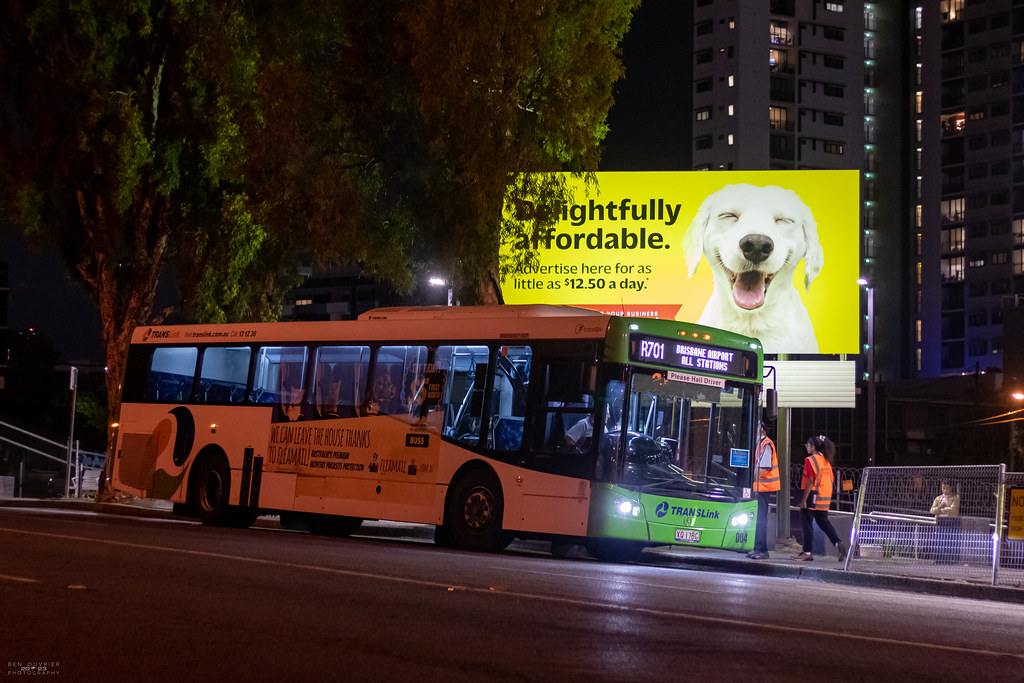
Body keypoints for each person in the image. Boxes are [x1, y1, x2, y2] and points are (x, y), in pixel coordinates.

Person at [794, 434, 849, 562]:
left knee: (807, 523)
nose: (806, 447)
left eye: (807, 445)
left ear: (813, 447)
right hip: (824, 496)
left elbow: (810, 480)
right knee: (823, 522)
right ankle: (838, 543)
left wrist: (803, 499)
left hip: (812, 495)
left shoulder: (810, 460)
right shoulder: (826, 461)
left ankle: (807, 553)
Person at [748, 423, 779, 560]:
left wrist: (750, 479)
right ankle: (758, 548)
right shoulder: (760, 444)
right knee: (758, 519)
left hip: (764, 488)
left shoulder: (766, 444)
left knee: (761, 519)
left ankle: (761, 550)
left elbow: (763, 468)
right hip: (760, 488)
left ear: (761, 430)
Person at [930, 480, 961, 565]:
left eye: (947, 488)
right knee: (939, 540)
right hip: (940, 520)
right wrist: (940, 507)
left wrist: (941, 510)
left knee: (950, 540)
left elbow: (953, 509)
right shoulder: (938, 498)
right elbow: (932, 510)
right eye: (943, 488)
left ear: (951, 488)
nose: (945, 490)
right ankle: (939, 559)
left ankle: (950, 560)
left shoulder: (955, 497)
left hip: (951, 520)